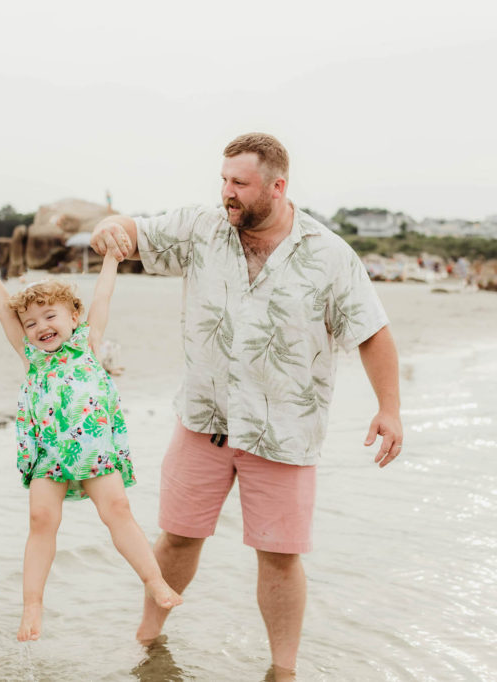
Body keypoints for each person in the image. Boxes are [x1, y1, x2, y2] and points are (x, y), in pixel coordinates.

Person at [90, 133, 402, 679]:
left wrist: (389, 408)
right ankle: (146, 642)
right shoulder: (201, 229)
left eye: (240, 183)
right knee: (178, 538)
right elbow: (134, 233)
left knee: (280, 555)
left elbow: (372, 332)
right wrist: (107, 231)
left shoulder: (330, 255)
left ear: (278, 187)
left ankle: (283, 670)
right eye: (224, 180)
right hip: (204, 419)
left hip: (284, 429)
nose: (227, 193)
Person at [0, 246, 183, 642]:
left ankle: (155, 581)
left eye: (50, 316)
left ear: (73, 317)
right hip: (48, 453)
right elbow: (2, 311)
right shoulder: (31, 355)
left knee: (118, 510)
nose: (41, 327)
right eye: (31, 322)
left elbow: (103, 295)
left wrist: (114, 260)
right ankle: (32, 605)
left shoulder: (88, 342)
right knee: (41, 522)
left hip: (95, 449)